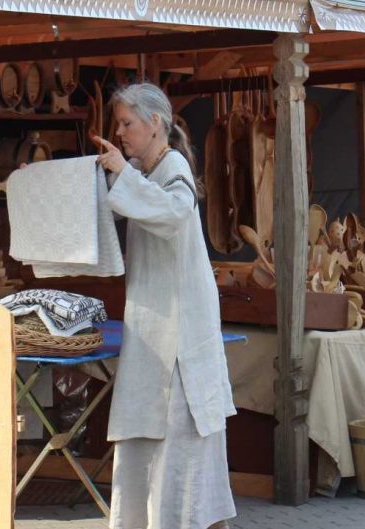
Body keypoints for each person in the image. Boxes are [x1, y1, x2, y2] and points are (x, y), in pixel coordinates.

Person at [94, 83, 237, 529]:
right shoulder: (145, 171)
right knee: (145, 433)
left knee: (178, 436)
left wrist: (124, 173)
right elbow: (108, 209)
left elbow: (174, 214)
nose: (120, 133)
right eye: (119, 124)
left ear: (155, 123)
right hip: (153, 325)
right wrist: (46, 185)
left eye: (126, 123)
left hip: (179, 331)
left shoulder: (172, 166)